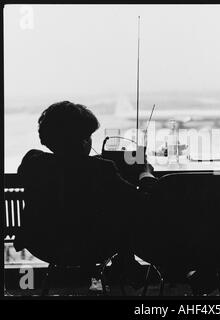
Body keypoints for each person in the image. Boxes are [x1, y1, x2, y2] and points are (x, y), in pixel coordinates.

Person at [14, 101, 150, 280]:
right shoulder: (103, 170)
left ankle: (126, 263)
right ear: (84, 140)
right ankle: (126, 263)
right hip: (92, 246)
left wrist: (93, 162)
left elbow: (66, 166)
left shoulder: (33, 162)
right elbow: (141, 201)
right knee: (124, 211)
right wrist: (145, 172)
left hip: (41, 243)